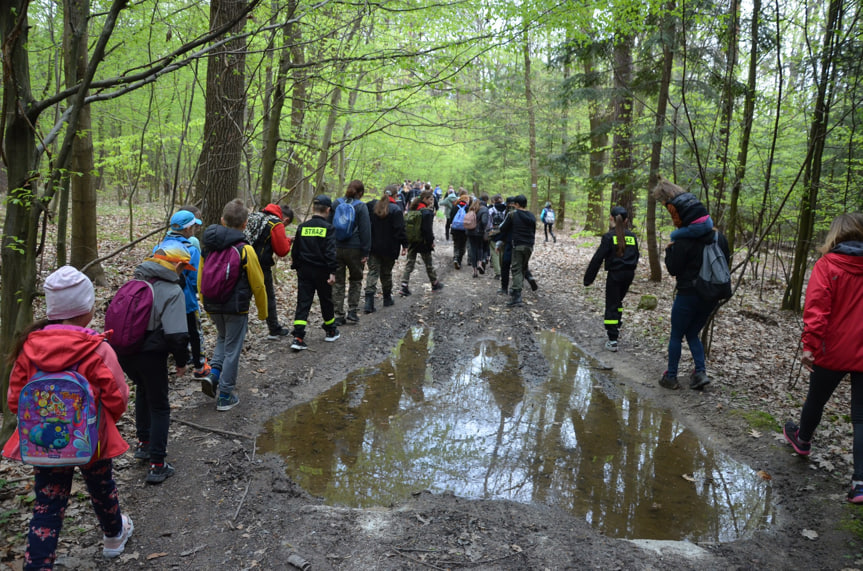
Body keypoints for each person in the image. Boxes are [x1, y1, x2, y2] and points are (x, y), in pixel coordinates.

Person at [3, 267, 133, 566]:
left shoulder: (28, 348)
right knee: (102, 488)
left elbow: (15, 401)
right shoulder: (97, 348)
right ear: (85, 309)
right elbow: (118, 397)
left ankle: (37, 562)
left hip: (43, 443)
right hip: (91, 439)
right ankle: (114, 536)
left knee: (47, 501)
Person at [783, 213, 863, 503]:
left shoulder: (828, 265)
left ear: (836, 235)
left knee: (816, 398)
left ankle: (803, 441)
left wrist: (810, 346)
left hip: (834, 350)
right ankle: (860, 483)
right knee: (861, 418)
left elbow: (817, 309)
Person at [120, 241, 193, 482]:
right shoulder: (172, 291)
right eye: (182, 267)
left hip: (125, 352)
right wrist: (182, 361)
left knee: (143, 391)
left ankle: (143, 443)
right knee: (160, 406)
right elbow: (177, 335)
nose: (183, 272)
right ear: (173, 264)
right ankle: (157, 464)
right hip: (151, 355)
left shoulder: (134, 283)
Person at [653, 178, 730, 390]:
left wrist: (669, 250)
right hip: (710, 296)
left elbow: (673, 269)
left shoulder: (683, 241)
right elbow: (725, 263)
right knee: (692, 333)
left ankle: (671, 376)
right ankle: (700, 373)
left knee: (677, 334)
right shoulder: (718, 237)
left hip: (687, 294)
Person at [200, 199, 267, 412]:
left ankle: (214, 375)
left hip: (212, 304)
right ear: (245, 224)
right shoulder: (245, 250)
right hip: (236, 307)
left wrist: (206, 303)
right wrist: (263, 312)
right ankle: (225, 396)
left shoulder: (208, 247)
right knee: (232, 350)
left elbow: (201, 278)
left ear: (222, 220)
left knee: (223, 338)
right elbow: (258, 284)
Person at [158, 208, 209, 379]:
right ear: (188, 229)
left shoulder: (159, 247)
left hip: (164, 300)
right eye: (194, 227)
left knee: (172, 330)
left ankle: (179, 360)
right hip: (186, 300)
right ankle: (200, 365)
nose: (195, 230)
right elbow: (196, 279)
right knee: (195, 332)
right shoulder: (191, 250)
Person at [583, 206, 640, 352]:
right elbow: (636, 256)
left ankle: (612, 339)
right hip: (629, 274)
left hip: (615, 274)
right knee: (618, 301)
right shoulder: (632, 237)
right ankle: (617, 324)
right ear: (627, 220)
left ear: (611, 218)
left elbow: (598, 258)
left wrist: (588, 278)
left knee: (612, 304)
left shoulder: (609, 237)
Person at [290, 195, 340, 350]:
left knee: (303, 302)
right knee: (326, 300)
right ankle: (331, 331)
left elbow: (295, 251)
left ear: (313, 209)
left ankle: (298, 337)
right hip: (322, 271)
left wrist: (296, 267)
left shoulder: (302, 227)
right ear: (328, 210)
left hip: (304, 271)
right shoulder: (329, 228)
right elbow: (330, 252)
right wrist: (332, 272)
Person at [245, 203, 294, 340]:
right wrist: (288, 242)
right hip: (260, 266)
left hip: (243, 262)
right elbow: (282, 250)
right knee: (268, 297)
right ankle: (274, 329)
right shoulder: (276, 224)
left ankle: (238, 330)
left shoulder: (255, 216)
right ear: (286, 220)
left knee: (244, 298)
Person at [331, 180, 371, 326]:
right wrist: (365, 251)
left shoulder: (336, 203)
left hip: (336, 247)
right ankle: (352, 311)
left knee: (338, 282)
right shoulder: (361, 206)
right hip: (355, 248)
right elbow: (365, 230)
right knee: (355, 279)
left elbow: (330, 226)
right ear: (360, 193)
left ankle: (338, 314)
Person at [365, 185, 408, 313]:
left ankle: (369, 303)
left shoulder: (372, 207)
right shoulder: (396, 210)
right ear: (396, 195)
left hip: (373, 247)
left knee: (373, 272)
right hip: (390, 248)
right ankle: (387, 298)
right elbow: (400, 230)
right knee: (386, 273)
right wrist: (405, 245)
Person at [399, 189, 444, 296]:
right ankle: (434, 283)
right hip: (423, 243)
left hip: (413, 241)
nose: (432, 201)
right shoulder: (427, 212)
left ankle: (404, 285)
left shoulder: (412, 210)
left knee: (410, 263)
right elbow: (427, 230)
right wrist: (431, 242)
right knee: (428, 264)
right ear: (425, 199)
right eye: (431, 199)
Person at [497, 194, 536, 307]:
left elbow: (502, 227)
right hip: (529, 245)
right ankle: (517, 290)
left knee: (516, 269)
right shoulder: (531, 216)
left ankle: (517, 295)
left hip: (517, 245)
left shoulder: (512, 214)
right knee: (522, 268)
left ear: (517, 204)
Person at [466, 195, 489, 278]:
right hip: (479, 233)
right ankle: (479, 263)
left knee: (473, 249)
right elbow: (484, 222)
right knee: (480, 248)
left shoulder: (472, 208)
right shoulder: (484, 209)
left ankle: (474, 270)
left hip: (470, 232)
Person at [448, 190, 471, 269]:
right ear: (467, 200)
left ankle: (455, 257)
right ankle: (459, 260)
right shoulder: (468, 208)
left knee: (456, 244)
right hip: (464, 230)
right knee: (462, 245)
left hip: (455, 229)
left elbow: (450, 218)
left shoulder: (454, 207)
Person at [488, 194, 507, 279]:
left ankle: (498, 273)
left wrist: (488, 232)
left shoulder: (491, 210)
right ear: (502, 200)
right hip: (503, 232)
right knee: (502, 251)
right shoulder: (507, 210)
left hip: (494, 232)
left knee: (494, 252)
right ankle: (503, 270)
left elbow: (489, 223)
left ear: (494, 201)